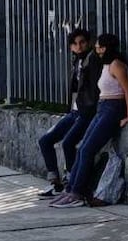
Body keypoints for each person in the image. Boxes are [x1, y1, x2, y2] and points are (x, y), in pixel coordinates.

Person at [50, 33, 128, 208]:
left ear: (107, 48)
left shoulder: (117, 65)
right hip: (102, 107)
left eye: (100, 47)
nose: (97, 50)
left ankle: (77, 193)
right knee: (82, 149)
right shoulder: (106, 65)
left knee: (88, 150)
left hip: (113, 108)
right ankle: (70, 190)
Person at [35, 28, 101, 197]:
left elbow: (95, 89)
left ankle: (70, 184)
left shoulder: (92, 60)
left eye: (82, 42)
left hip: (86, 112)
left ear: (88, 43)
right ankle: (55, 183)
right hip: (74, 112)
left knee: (68, 143)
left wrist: (89, 110)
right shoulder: (76, 61)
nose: (79, 46)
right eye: (75, 44)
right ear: (71, 47)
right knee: (45, 141)